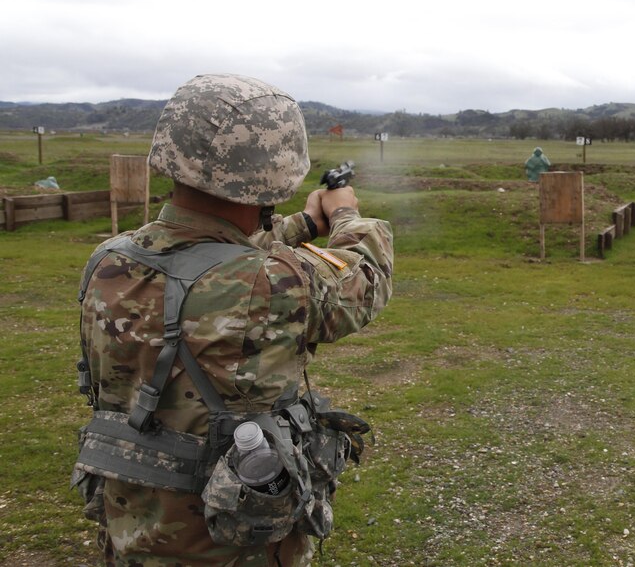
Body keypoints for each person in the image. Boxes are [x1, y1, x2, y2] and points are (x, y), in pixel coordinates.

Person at [72, 74, 394, 566]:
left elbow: (210, 250)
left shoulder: (109, 259)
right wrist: (346, 214)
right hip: (229, 542)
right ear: (273, 172)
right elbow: (366, 277)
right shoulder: (270, 283)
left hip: (132, 524)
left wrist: (305, 222)